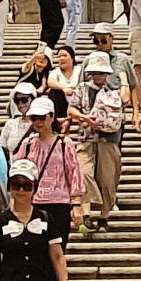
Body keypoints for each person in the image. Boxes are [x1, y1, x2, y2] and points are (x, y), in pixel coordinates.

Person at [24, 91, 87, 246]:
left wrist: (77, 204)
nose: (38, 122)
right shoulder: (28, 144)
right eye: (34, 118)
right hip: (34, 202)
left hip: (59, 203)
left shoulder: (64, 143)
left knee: (57, 248)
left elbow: (74, 173)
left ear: (51, 117)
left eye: (42, 117)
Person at [72, 52, 125, 232]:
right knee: (84, 173)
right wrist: (84, 118)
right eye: (95, 72)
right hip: (86, 137)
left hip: (108, 139)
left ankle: (104, 216)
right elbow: (71, 109)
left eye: (101, 73)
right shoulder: (82, 89)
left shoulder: (113, 92)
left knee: (107, 179)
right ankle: (86, 212)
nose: (98, 76)